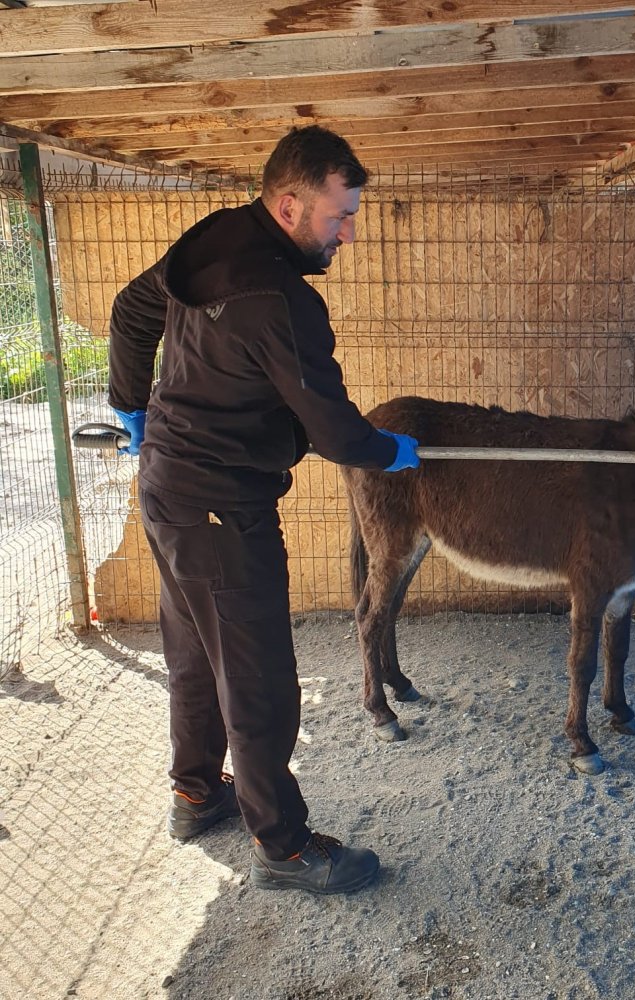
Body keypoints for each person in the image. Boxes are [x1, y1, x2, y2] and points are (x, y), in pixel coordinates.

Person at [107, 126, 419, 895]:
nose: (348, 232)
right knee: (260, 680)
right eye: (337, 216)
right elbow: (335, 431)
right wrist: (392, 453)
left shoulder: (213, 241)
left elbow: (131, 309)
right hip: (218, 505)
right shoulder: (281, 299)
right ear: (288, 205)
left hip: (167, 487)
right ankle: (282, 847)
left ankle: (195, 792)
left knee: (192, 650)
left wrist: (132, 410)